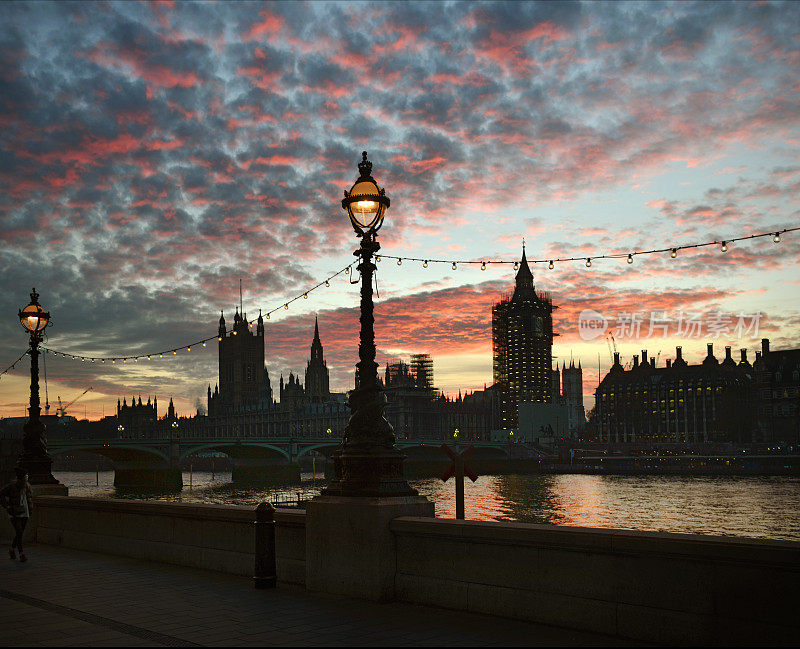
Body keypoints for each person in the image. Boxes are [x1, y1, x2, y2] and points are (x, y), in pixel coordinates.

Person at [1, 467, 33, 562]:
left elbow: (29, 499)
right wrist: (7, 506)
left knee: (20, 533)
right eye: (25, 476)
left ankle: (12, 549)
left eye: (27, 476)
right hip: (14, 512)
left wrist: (30, 509)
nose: (27, 478)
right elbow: (1, 494)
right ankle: (21, 553)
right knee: (19, 531)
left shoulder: (27, 487)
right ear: (21, 478)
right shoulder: (12, 487)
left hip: (25, 512)